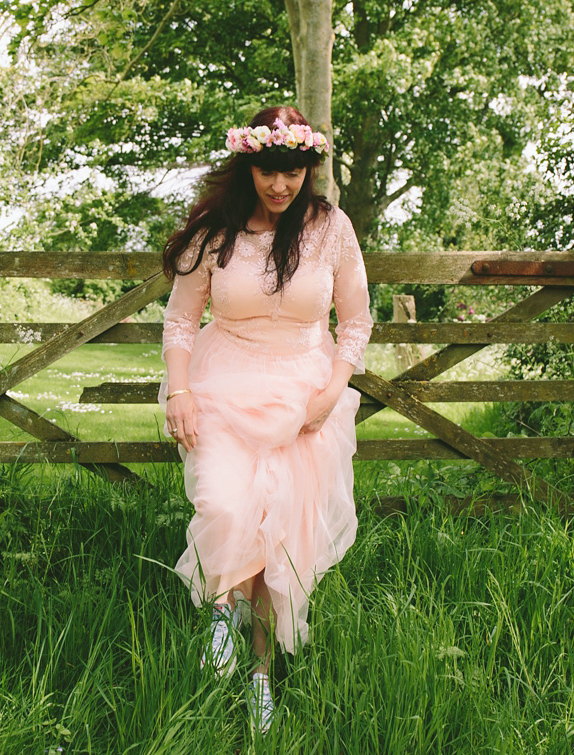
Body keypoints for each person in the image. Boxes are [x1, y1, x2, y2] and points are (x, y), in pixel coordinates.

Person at [160, 106, 372, 733]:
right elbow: (179, 319)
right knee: (227, 505)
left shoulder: (331, 228)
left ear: (309, 168)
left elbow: (355, 320)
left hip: (305, 391)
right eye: (268, 173)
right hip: (223, 382)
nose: (280, 186)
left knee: (278, 526)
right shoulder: (216, 231)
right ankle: (222, 608)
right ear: (248, 165)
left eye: (293, 173)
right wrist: (178, 391)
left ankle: (259, 676)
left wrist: (333, 391)